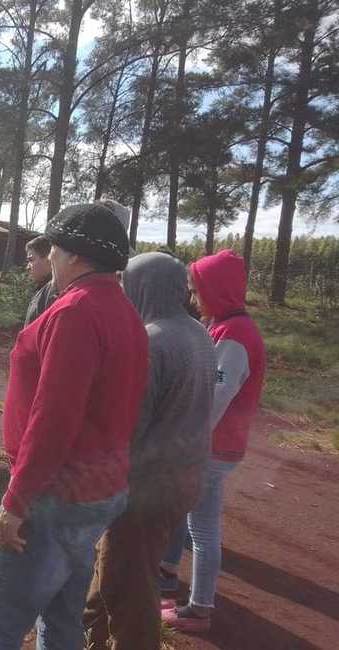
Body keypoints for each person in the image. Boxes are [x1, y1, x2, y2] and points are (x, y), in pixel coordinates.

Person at [0, 203, 147, 650]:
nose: (52, 261)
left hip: (55, 494)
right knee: (62, 617)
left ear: (74, 256)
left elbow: (55, 416)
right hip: (97, 489)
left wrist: (16, 500)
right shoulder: (123, 311)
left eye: (55, 251)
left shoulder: (76, 312)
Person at [83, 252, 217, 650]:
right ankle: (88, 629)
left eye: (128, 284)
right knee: (122, 563)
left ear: (143, 287)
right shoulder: (198, 334)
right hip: (185, 476)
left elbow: (131, 426)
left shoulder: (151, 339)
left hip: (148, 485)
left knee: (131, 583)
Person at [160, 249, 266, 634]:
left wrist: (185, 442)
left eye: (198, 289)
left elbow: (214, 399)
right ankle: (193, 597)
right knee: (199, 525)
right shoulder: (226, 326)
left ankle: (199, 608)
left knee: (201, 528)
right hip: (216, 445)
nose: (193, 298)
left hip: (210, 447)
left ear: (218, 290)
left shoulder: (235, 335)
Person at [23, 235, 56, 328]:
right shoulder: (43, 289)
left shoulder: (53, 295)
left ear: (50, 258)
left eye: (31, 260)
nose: (27, 267)